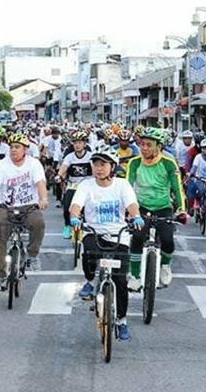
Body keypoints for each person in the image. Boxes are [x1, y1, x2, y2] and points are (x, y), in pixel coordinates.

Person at [70, 146, 142, 342]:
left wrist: (136, 216)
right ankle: (91, 280)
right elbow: (76, 205)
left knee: (120, 281)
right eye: (95, 164)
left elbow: (131, 204)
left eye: (103, 164)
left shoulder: (122, 185)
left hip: (118, 235)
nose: (99, 168)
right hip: (94, 231)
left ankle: (121, 321)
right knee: (90, 254)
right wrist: (75, 217)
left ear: (113, 167)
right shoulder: (86, 185)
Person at [126, 127, 186, 291]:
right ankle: (135, 276)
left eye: (149, 145)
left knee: (168, 240)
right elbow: (127, 187)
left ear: (158, 146)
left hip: (163, 207)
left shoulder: (168, 163)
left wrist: (181, 209)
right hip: (141, 207)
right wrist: (127, 210)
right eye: (142, 144)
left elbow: (177, 188)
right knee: (137, 238)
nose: (144, 148)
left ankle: (165, 266)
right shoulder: (134, 163)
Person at [0, 133, 48, 291]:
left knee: (38, 223)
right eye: (11, 147)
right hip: (7, 208)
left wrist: (43, 199)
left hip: (29, 207)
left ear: (25, 150)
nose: (13, 150)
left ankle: (33, 254)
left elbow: (40, 183)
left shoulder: (34, 164)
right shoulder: (2, 165)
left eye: (17, 147)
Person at [58, 130, 94, 239]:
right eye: (75, 143)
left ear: (84, 144)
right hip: (73, 185)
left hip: (88, 186)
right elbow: (64, 167)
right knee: (67, 207)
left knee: (91, 207)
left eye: (80, 142)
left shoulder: (90, 156)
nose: (77, 145)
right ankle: (68, 226)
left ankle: (90, 227)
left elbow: (94, 168)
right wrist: (59, 175)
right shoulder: (69, 157)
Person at [185, 138, 206, 214]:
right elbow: (194, 167)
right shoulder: (198, 157)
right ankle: (196, 202)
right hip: (199, 179)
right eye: (205, 148)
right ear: (202, 149)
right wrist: (190, 173)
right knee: (200, 189)